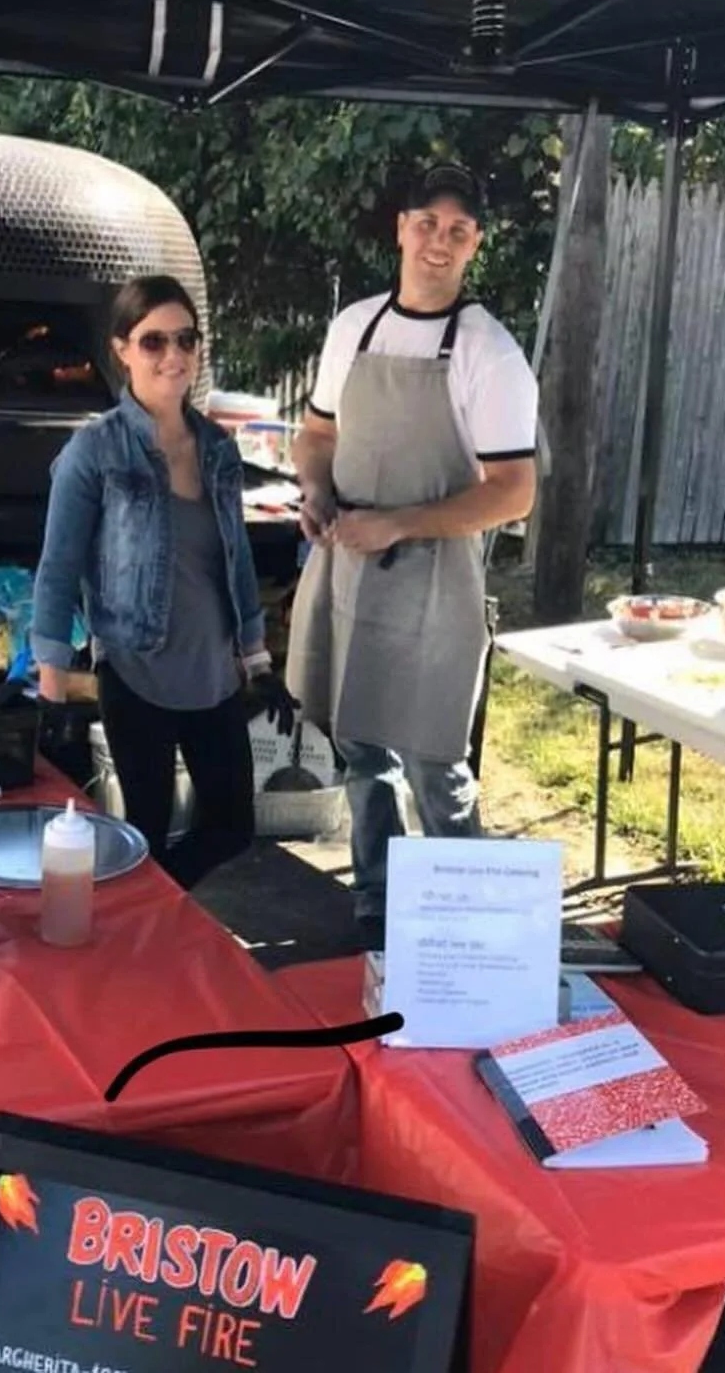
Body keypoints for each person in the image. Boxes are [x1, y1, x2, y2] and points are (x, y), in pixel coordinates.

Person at [286, 164, 539, 943]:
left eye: (457, 230)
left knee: (434, 758)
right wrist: (316, 490)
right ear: (401, 228)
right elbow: (316, 435)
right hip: (350, 567)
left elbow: (514, 493)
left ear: (475, 244)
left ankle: (468, 926)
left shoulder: (489, 352)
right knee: (361, 744)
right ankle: (377, 899)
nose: (439, 241)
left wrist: (397, 524)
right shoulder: (354, 327)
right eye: (427, 223)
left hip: (435, 579)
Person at [31, 275, 295, 890]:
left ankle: (145, 909)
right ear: (122, 349)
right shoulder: (94, 451)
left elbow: (235, 560)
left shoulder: (218, 449)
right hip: (135, 669)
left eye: (186, 340)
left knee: (231, 827)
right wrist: (51, 691)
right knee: (142, 834)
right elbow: (57, 569)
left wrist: (257, 659)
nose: (173, 355)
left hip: (213, 672)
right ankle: (140, 928)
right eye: (154, 342)